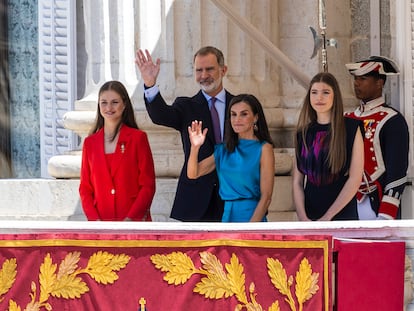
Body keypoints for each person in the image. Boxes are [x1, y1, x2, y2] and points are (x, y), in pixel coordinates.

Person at [135, 46, 234, 221]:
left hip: (234, 197)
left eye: (209, 69)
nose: (204, 75)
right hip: (196, 201)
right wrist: (150, 84)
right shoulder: (186, 106)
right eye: (199, 70)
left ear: (223, 70)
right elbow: (160, 115)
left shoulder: (240, 106)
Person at [187, 94, 275, 222]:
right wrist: (195, 148)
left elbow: (266, 197)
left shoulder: (264, 148)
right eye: (233, 114)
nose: (237, 119)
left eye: (244, 114)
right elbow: (193, 174)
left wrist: (250, 229)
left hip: (252, 217)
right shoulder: (223, 149)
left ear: (255, 117)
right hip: (227, 215)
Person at [79, 81, 156, 221]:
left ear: (124, 104)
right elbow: (85, 188)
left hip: (133, 224)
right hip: (101, 224)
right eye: (104, 102)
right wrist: (94, 221)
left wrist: (131, 219)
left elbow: (147, 185)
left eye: (114, 102)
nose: (109, 107)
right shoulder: (90, 143)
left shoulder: (138, 138)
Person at [293, 72, 364, 221]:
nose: (319, 98)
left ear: (334, 96)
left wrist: (328, 217)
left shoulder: (351, 128)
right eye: (314, 92)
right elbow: (297, 182)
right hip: (310, 214)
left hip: (342, 213)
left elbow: (355, 178)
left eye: (325, 92)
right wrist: (303, 217)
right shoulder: (303, 133)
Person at [345, 56, 409, 220]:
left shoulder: (393, 120)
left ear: (379, 82)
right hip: (345, 203)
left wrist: (387, 213)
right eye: (355, 78)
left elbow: (397, 171)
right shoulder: (346, 118)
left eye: (363, 78)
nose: (357, 83)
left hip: (376, 203)